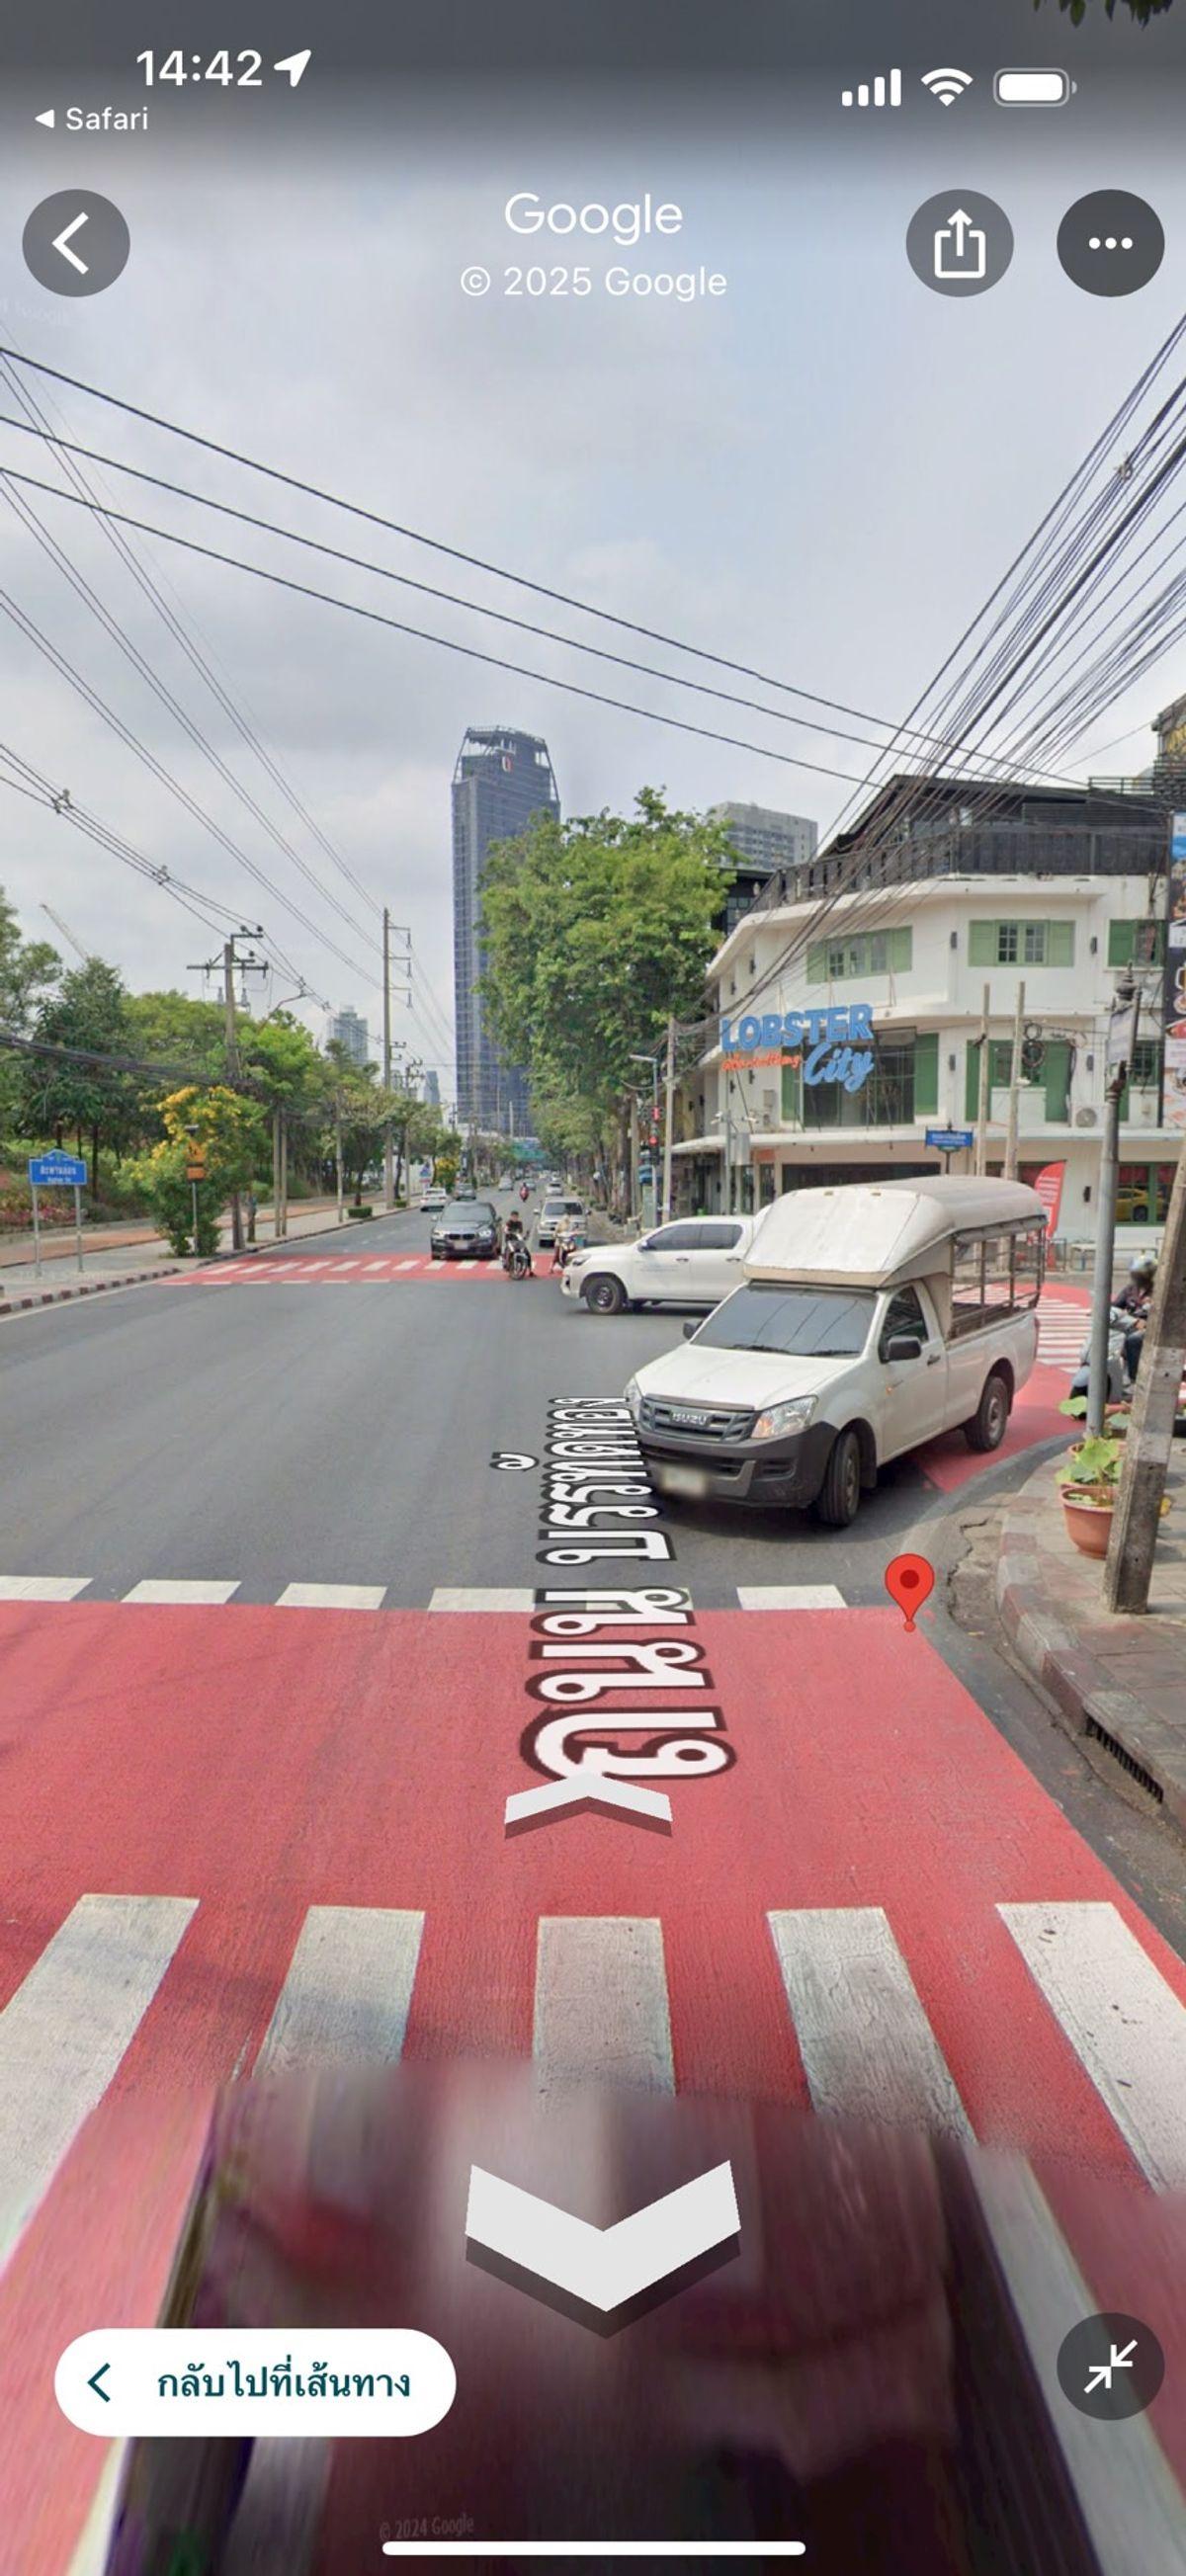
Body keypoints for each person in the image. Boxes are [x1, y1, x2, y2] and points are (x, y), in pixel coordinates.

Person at [1116, 1256, 1155, 1384]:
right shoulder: (1130, 1289)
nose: (1137, 1278)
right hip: (1130, 1323)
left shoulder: (1158, 1290)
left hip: (1150, 1327)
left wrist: (1153, 1305)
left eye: (1140, 1275)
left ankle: (1134, 1379)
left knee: (1134, 1340)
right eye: (1135, 1274)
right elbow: (1116, 1305)